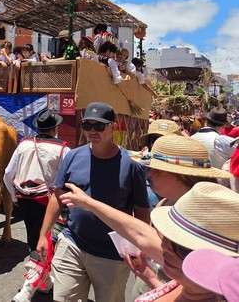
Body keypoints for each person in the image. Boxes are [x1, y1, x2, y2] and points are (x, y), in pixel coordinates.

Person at [37, 102, 150, 302]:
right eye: (87, 125)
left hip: (112, 256)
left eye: (99, 126)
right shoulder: (72, 156)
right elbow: (57, 197)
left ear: (113, 127)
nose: (92, 131)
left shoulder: (131, 166)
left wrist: (138, 249)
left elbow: (141, 212)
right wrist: (43, 235)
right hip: (73, 243)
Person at [59, 181, 238, 302]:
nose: (165, 245)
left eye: (181, 245)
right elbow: (141, 233)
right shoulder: (191, 277)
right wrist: (151, 278)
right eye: (166, 235)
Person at [128, 135, 229, 298]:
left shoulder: (204, 220)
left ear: (182, 175)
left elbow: (196, 292)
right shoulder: (164, 203)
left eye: (158, 169)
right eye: (149, 167)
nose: (149, 173)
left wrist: (152, 281)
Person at [6, 108, 71, 302]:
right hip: (48, 202)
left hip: (24, 200)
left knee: (34, 240)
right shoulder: (63, 149)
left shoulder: (24, 145)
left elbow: (8, 174)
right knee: (47, 243)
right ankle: (27, 290)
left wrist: (14, 197)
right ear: (55, 128)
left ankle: (44, 283)